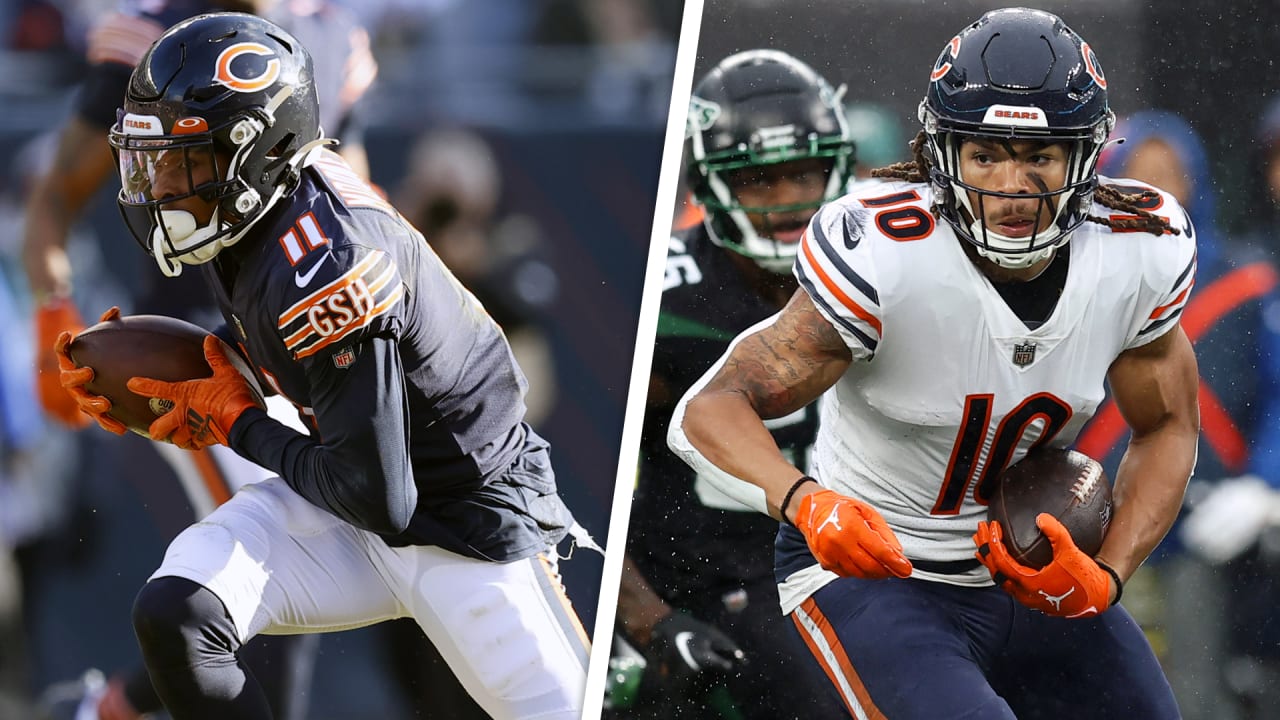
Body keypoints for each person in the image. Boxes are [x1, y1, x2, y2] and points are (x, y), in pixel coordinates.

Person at [54, 12, 590, 720]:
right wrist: (206, 360)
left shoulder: (329, 264)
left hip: (466, 526)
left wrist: (234, 418)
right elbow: (301, 368)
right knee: (177, 612)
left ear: (257, 152)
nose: (161, 186)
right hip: (362, 494)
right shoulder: (263, 213)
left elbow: (379, 497)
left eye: (184, 161)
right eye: (152, 161)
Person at [669, 8, 1198, 719]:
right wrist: (805, 500)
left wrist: (1108, 572)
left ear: (1086, 156)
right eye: (985, 155)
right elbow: (711, 406)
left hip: (1026, 574)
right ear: (941, 154)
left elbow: (1167, 425)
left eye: (1038, 157)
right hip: (877, 577)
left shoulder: (1141, 247)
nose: (1011, 187)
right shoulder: (888, 252)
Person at [21, 2, 377, 718]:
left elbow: (359, 207)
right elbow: (56, 192)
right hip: (199, 348)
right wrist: (50, 314)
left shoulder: (336, 31)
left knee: (312, 559)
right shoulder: (153, 31)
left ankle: (107, 710)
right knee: (281, 559)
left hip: (297, 338)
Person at [617, 49, 852, 719]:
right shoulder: (665, 303)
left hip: (849, 566)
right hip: (710, 583)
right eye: (758, 180)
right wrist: (645, 621)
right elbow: (585, 483)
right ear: (711, 184)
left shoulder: (883, 273)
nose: (788, 201)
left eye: (803, 172)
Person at [1074, 109, 1280, 719]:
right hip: (1091, 524)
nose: (1157, 194)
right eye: (1137, 175)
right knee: (1101, 687)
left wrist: (1263, 488)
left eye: (1171, 176)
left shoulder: (1249, 283)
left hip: (1210, 529)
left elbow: (1277, 396)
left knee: (1199, 688)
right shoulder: (1071, 283)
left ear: (1197, 182)